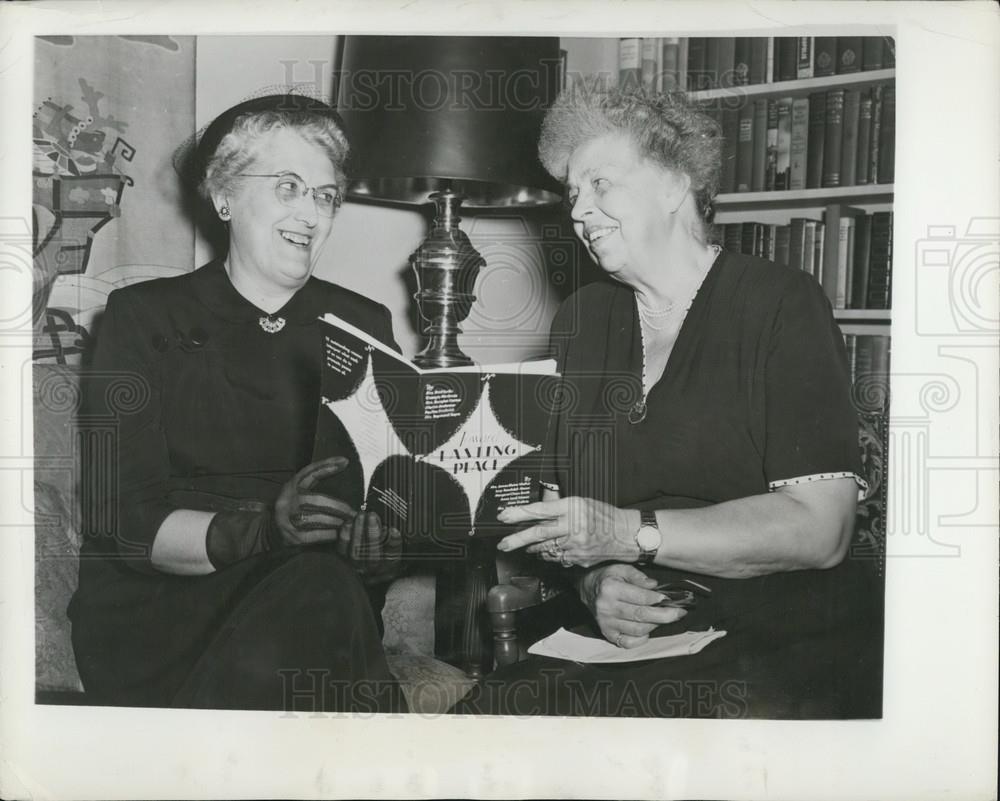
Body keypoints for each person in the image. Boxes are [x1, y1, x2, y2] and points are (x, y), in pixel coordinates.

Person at [455, 88, 882, 718]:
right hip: (638, 629)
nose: (581, 211)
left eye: (601, 183)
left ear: (675, 184)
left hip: (785, 622)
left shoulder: (780, 303)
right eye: (573, 193)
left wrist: (631, 535)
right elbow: (560, 513)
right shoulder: (583, 319)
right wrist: (595, 579)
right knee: (485, 720)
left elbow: (823, 530)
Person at [69, 94, 407, 712]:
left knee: (323, 587)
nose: (311, 212)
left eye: (326, 195)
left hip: (316, 600)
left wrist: (376, 551)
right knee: (319, 591)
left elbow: (375, 499)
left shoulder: (363, 325)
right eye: (287, 187)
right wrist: (260, 532)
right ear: (223, 195)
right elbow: (122, 525)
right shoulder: (142, 317)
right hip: (163, 612)